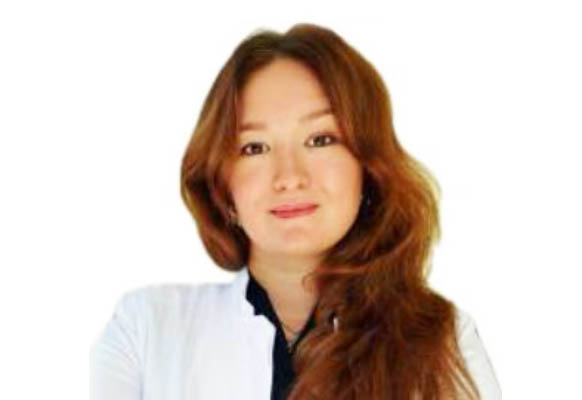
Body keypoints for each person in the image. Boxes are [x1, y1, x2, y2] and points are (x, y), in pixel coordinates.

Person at [90, 23, 501, 400]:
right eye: (254, 147)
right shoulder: (146, 331)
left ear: (367, 167)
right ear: (222, 184)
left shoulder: (442, 340)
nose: (289, 177)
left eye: (320, 140)